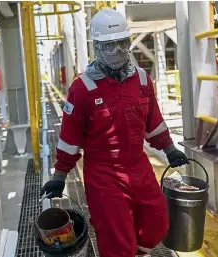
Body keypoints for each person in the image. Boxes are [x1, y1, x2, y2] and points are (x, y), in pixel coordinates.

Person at [40, 9, 189, 257]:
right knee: (117, 239)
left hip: (138, 164)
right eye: (109, 46)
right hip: (103, 174)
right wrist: (59, 176)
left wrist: (169, 149)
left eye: (122, 43)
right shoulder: (82, 88)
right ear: (96, 47)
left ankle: (138, 252)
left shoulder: (142, 79)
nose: (118, 51)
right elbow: (69, 138)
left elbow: (154, 121)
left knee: (157, 221)